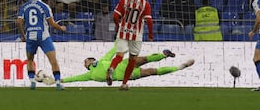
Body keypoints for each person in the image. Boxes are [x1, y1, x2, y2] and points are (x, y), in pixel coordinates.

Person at [41, 47, 194, 85]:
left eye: (85, 61)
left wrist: (123, 40)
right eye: (84, 64)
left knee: (143, 59)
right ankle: (179, 67)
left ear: (91, 59)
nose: (85, 63)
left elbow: (113, 49)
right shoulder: (89, 75)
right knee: (151, 71)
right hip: (123, 75)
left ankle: (164, 54)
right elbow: (74, 79)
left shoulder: (102, 60)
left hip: (122, 64)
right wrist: (57, 81)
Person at [16, 0, 67, 90]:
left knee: (30, 60)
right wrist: (61, 28)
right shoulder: (45, 6)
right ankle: (58, 82)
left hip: (30, 36)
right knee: (53, 60)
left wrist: (23, 35)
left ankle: (32, 81)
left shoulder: (24, 6)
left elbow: (19, 22)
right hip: (43, 37)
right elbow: (52, 24)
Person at [106, 0, 154, 90]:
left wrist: (119, 26)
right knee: (132, 59)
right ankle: (124, 83)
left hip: (123, 32)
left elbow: (115, 16)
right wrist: (150, 35)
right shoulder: (145, 4)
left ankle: (112, 67)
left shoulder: (124, 0)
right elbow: (149, 21)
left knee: (119, 56)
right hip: (136, 35)